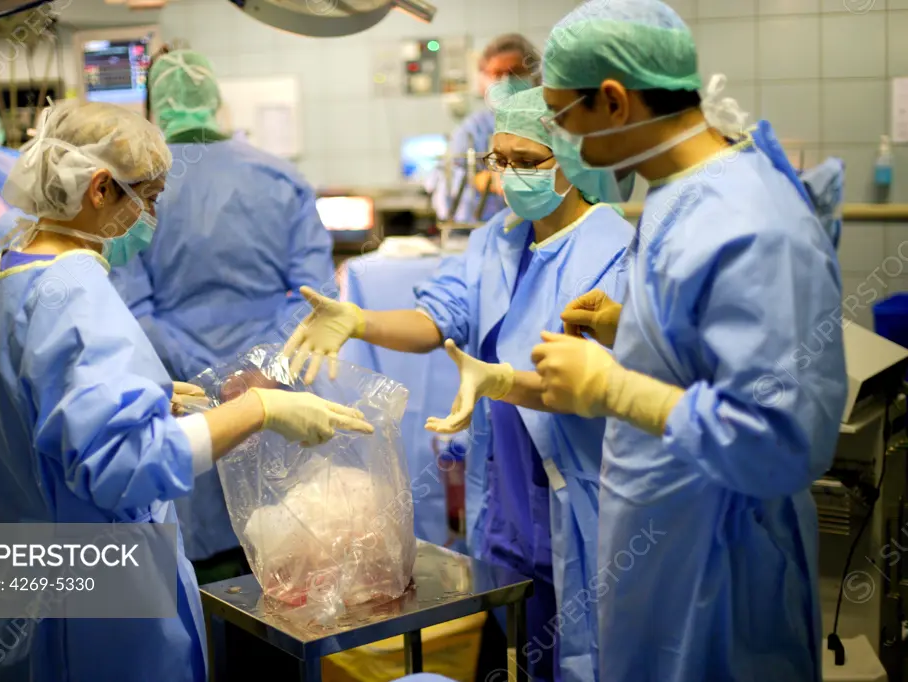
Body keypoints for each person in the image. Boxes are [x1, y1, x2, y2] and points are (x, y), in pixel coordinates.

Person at [0, 100, 372, 682]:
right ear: (101, 189)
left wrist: (144, 398)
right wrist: (261, 408)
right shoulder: (76, 293)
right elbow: (127, 467)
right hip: (88, 624)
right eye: (149, 198)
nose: (150, 217)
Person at [531, 2, 847, 681]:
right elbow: (716, 345)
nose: (565, 143)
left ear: (614, 101)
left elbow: (782, 436)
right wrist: (637, 329)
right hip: (670, 538)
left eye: (563, 117)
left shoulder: (755, 225)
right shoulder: (678, 190)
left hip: (723, 566)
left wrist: (614, 386)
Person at [284, 85, 634, 682]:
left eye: (529, 162)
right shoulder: (494, 240)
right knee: (513, 628)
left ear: (573, 160)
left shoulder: (613, 251)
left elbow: (607, 379)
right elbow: (438, 319)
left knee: (584, 640)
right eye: (501, 162)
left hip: (577, 478)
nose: (508, 178)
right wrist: (360, 320)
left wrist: (500, 378)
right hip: (503, 483)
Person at [109, 49, 335, 580]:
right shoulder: (279, 178)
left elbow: (132, 307)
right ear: (216, 101)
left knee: (195, 564)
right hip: (272, 388)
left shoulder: (138, 190)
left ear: (155, 107)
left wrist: (204, 373)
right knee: (282, 558)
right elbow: (314, 300)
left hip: (177, 389)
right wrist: (255, 371)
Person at [431, 34, 541, 225]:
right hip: (484, 232)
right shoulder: (474, 130)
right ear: (484, 81)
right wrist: (482, 179)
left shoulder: (558, 125)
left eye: (516, 71)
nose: (507, 81)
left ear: (535, 75)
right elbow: (446, 192)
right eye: (498, 74)